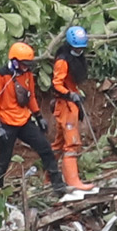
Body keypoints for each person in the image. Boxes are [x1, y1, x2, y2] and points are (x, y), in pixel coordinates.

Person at [0, 41, 54, 191]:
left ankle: (57, 184)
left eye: (28, 65)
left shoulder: (27, 74)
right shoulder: (1, 75)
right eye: (23, 64)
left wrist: (39, 116)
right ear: (15, 61)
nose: (26, 67)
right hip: (6, 122)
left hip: (24, 120)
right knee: (4, 159)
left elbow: (31, 96)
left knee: (45, 148)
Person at [43, 24, 93, 195]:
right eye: (77, 48)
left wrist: (75, 93)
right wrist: (70, 94)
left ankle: (48, 179)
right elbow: (57, 84)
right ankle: (73, 181)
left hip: (70, 103)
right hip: (65, 105)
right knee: (71, 143)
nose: (79, 51)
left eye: (81, 48)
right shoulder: (63, 60)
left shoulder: (75, 58)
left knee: (58, 144)